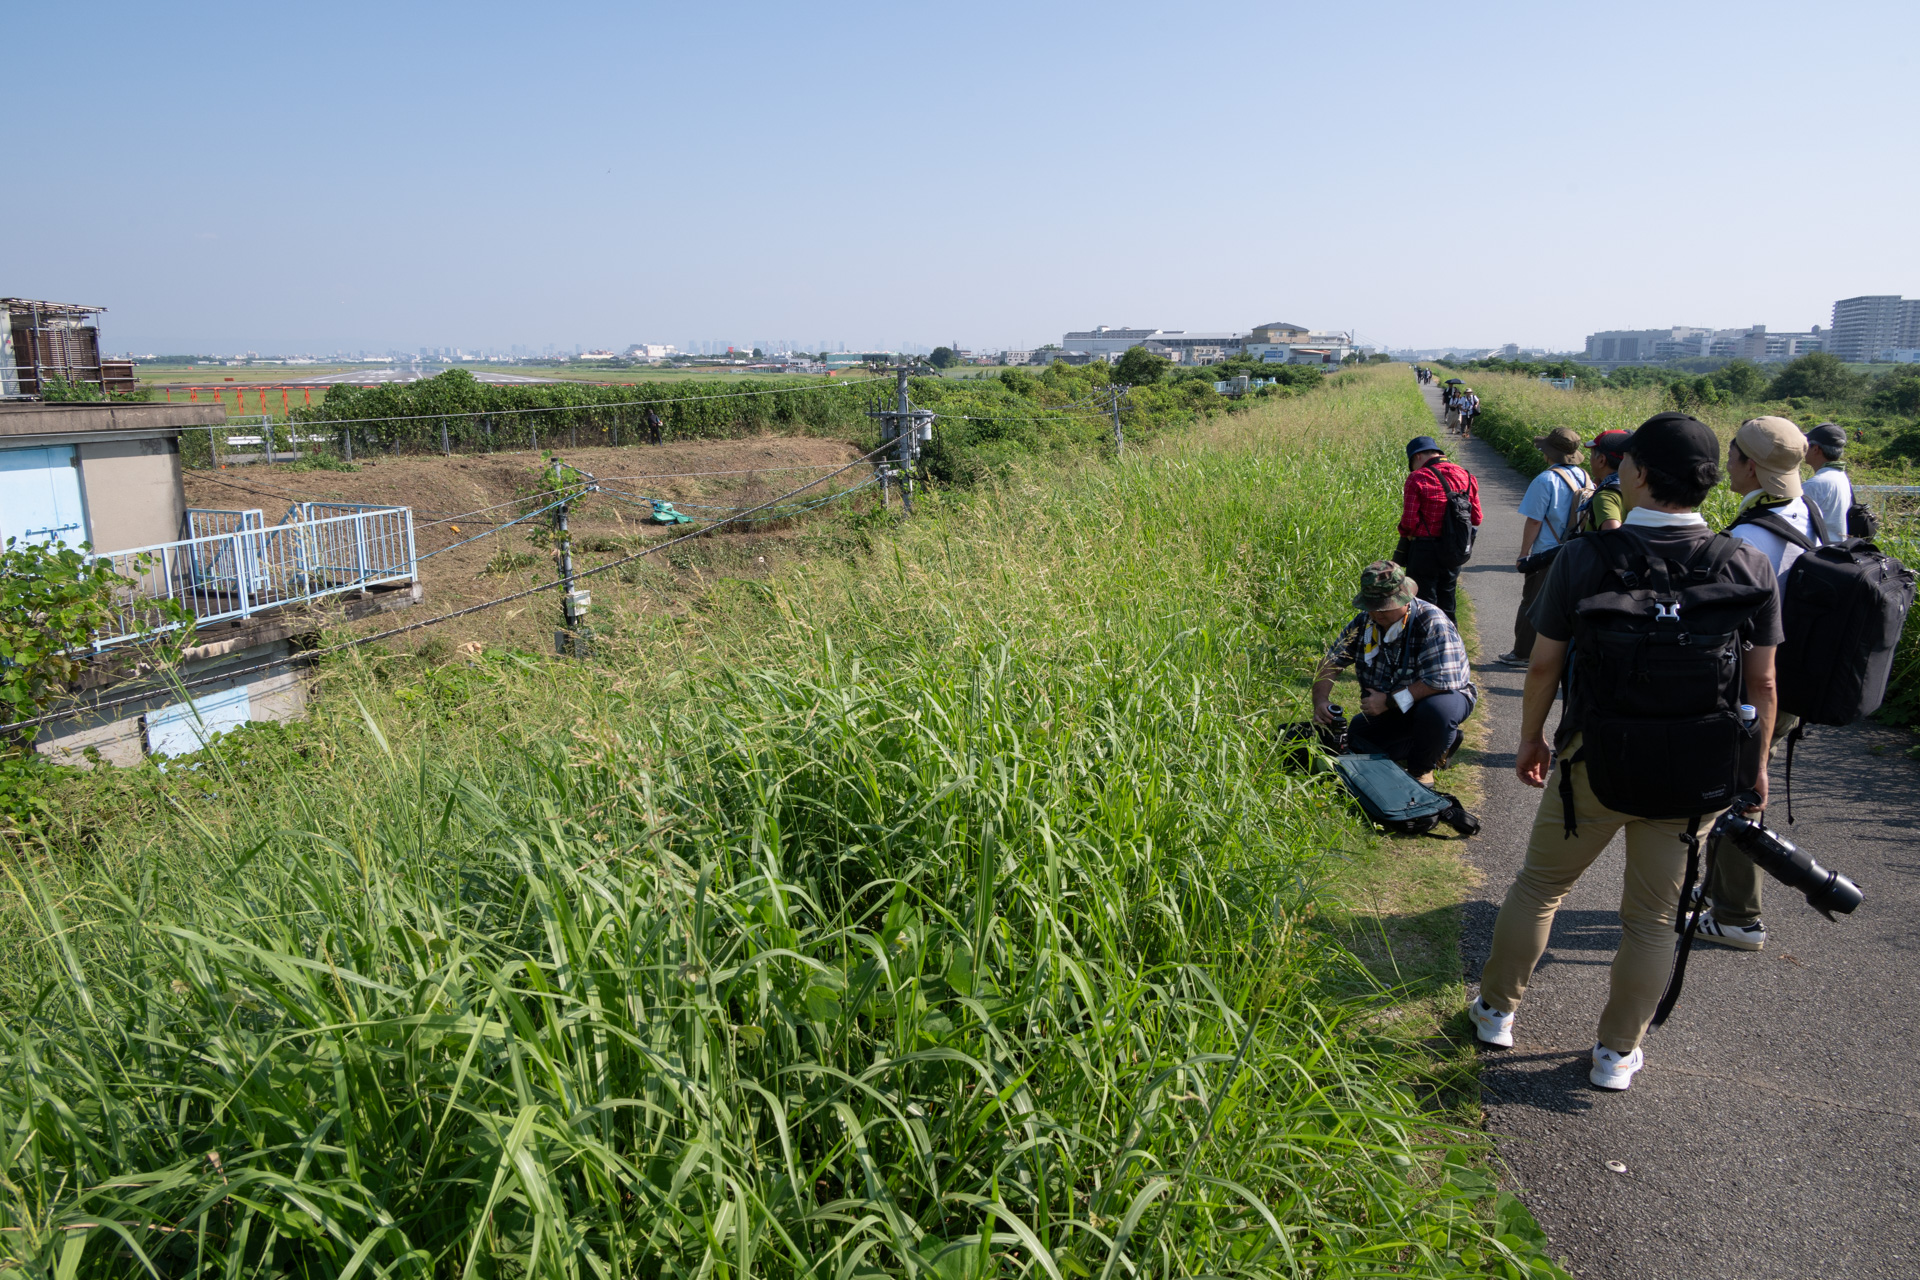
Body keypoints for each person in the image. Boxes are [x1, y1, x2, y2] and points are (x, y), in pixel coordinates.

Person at [1469, 412, 1783, 1091]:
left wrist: (1532, 738)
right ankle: (1615, 1056)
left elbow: (1546, 666)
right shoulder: (1744, 562)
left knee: (1540, 888)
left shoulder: (1587, 557)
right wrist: (1752, 768)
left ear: (1637, 473)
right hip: (1693, 774)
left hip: (1593, 763)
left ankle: (1495, 1013)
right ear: (1709, 482)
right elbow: (1761, 681)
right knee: (1652, 920)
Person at [1697, 417, 1817, 952]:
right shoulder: (1806, 511)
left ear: (1749, 464)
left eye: (1733, 453)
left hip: (1755, 685)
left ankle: (1738, 917)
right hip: (1793, 678)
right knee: (1743, 790)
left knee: (1737, 795)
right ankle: (1724, 894)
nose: (1726, 462)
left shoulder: (1749, 538)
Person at [1312, 560, 1476, 785]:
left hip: (1435, 698)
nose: (1377, 613)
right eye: (1371, 605)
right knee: (1357, 739)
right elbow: (1331, 662)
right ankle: (1442, 742)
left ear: (1405, 599)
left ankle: (1422, 769)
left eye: (1384, 606)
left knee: (1437, 711)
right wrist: (1321, 701)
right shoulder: (1364, 622)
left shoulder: (1432, 622)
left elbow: (1440, 682)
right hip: (1388, 707)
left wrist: (1388, 701)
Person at [1497, 428, 1591, 667]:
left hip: (1547, 552)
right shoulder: (1584, 476)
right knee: (1567, 606)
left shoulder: (1546, 479)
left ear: (1549, 453)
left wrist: (1523, 554)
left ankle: (1523, 653)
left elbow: (1535, 520)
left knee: (1533, 603)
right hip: (1577, 550)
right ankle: (1562, 654)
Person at [1395, 434, 1482, 621]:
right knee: (1448, 602)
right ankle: (1451, 645)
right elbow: (1477, 518)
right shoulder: (1467, 476)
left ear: (1417, 457)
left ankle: (1423, 646)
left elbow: (1409, 522)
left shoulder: (1418, 477)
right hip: (1454, 550)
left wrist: (1405, 534)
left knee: (1423, 605)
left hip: (1425, 550)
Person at [1802, 421, 1853, 538]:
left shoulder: (1815, 485)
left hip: (1818, 552)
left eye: (1807, 444)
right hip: (1836, 550)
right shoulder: (1841, 476)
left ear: (1816, 449)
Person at [1574, 430, 1630, 533]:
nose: (1590, 460)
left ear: (1601, 460)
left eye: (1592, 455)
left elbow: (1612, 537)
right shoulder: (1636, 487)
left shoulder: (1606, 496)